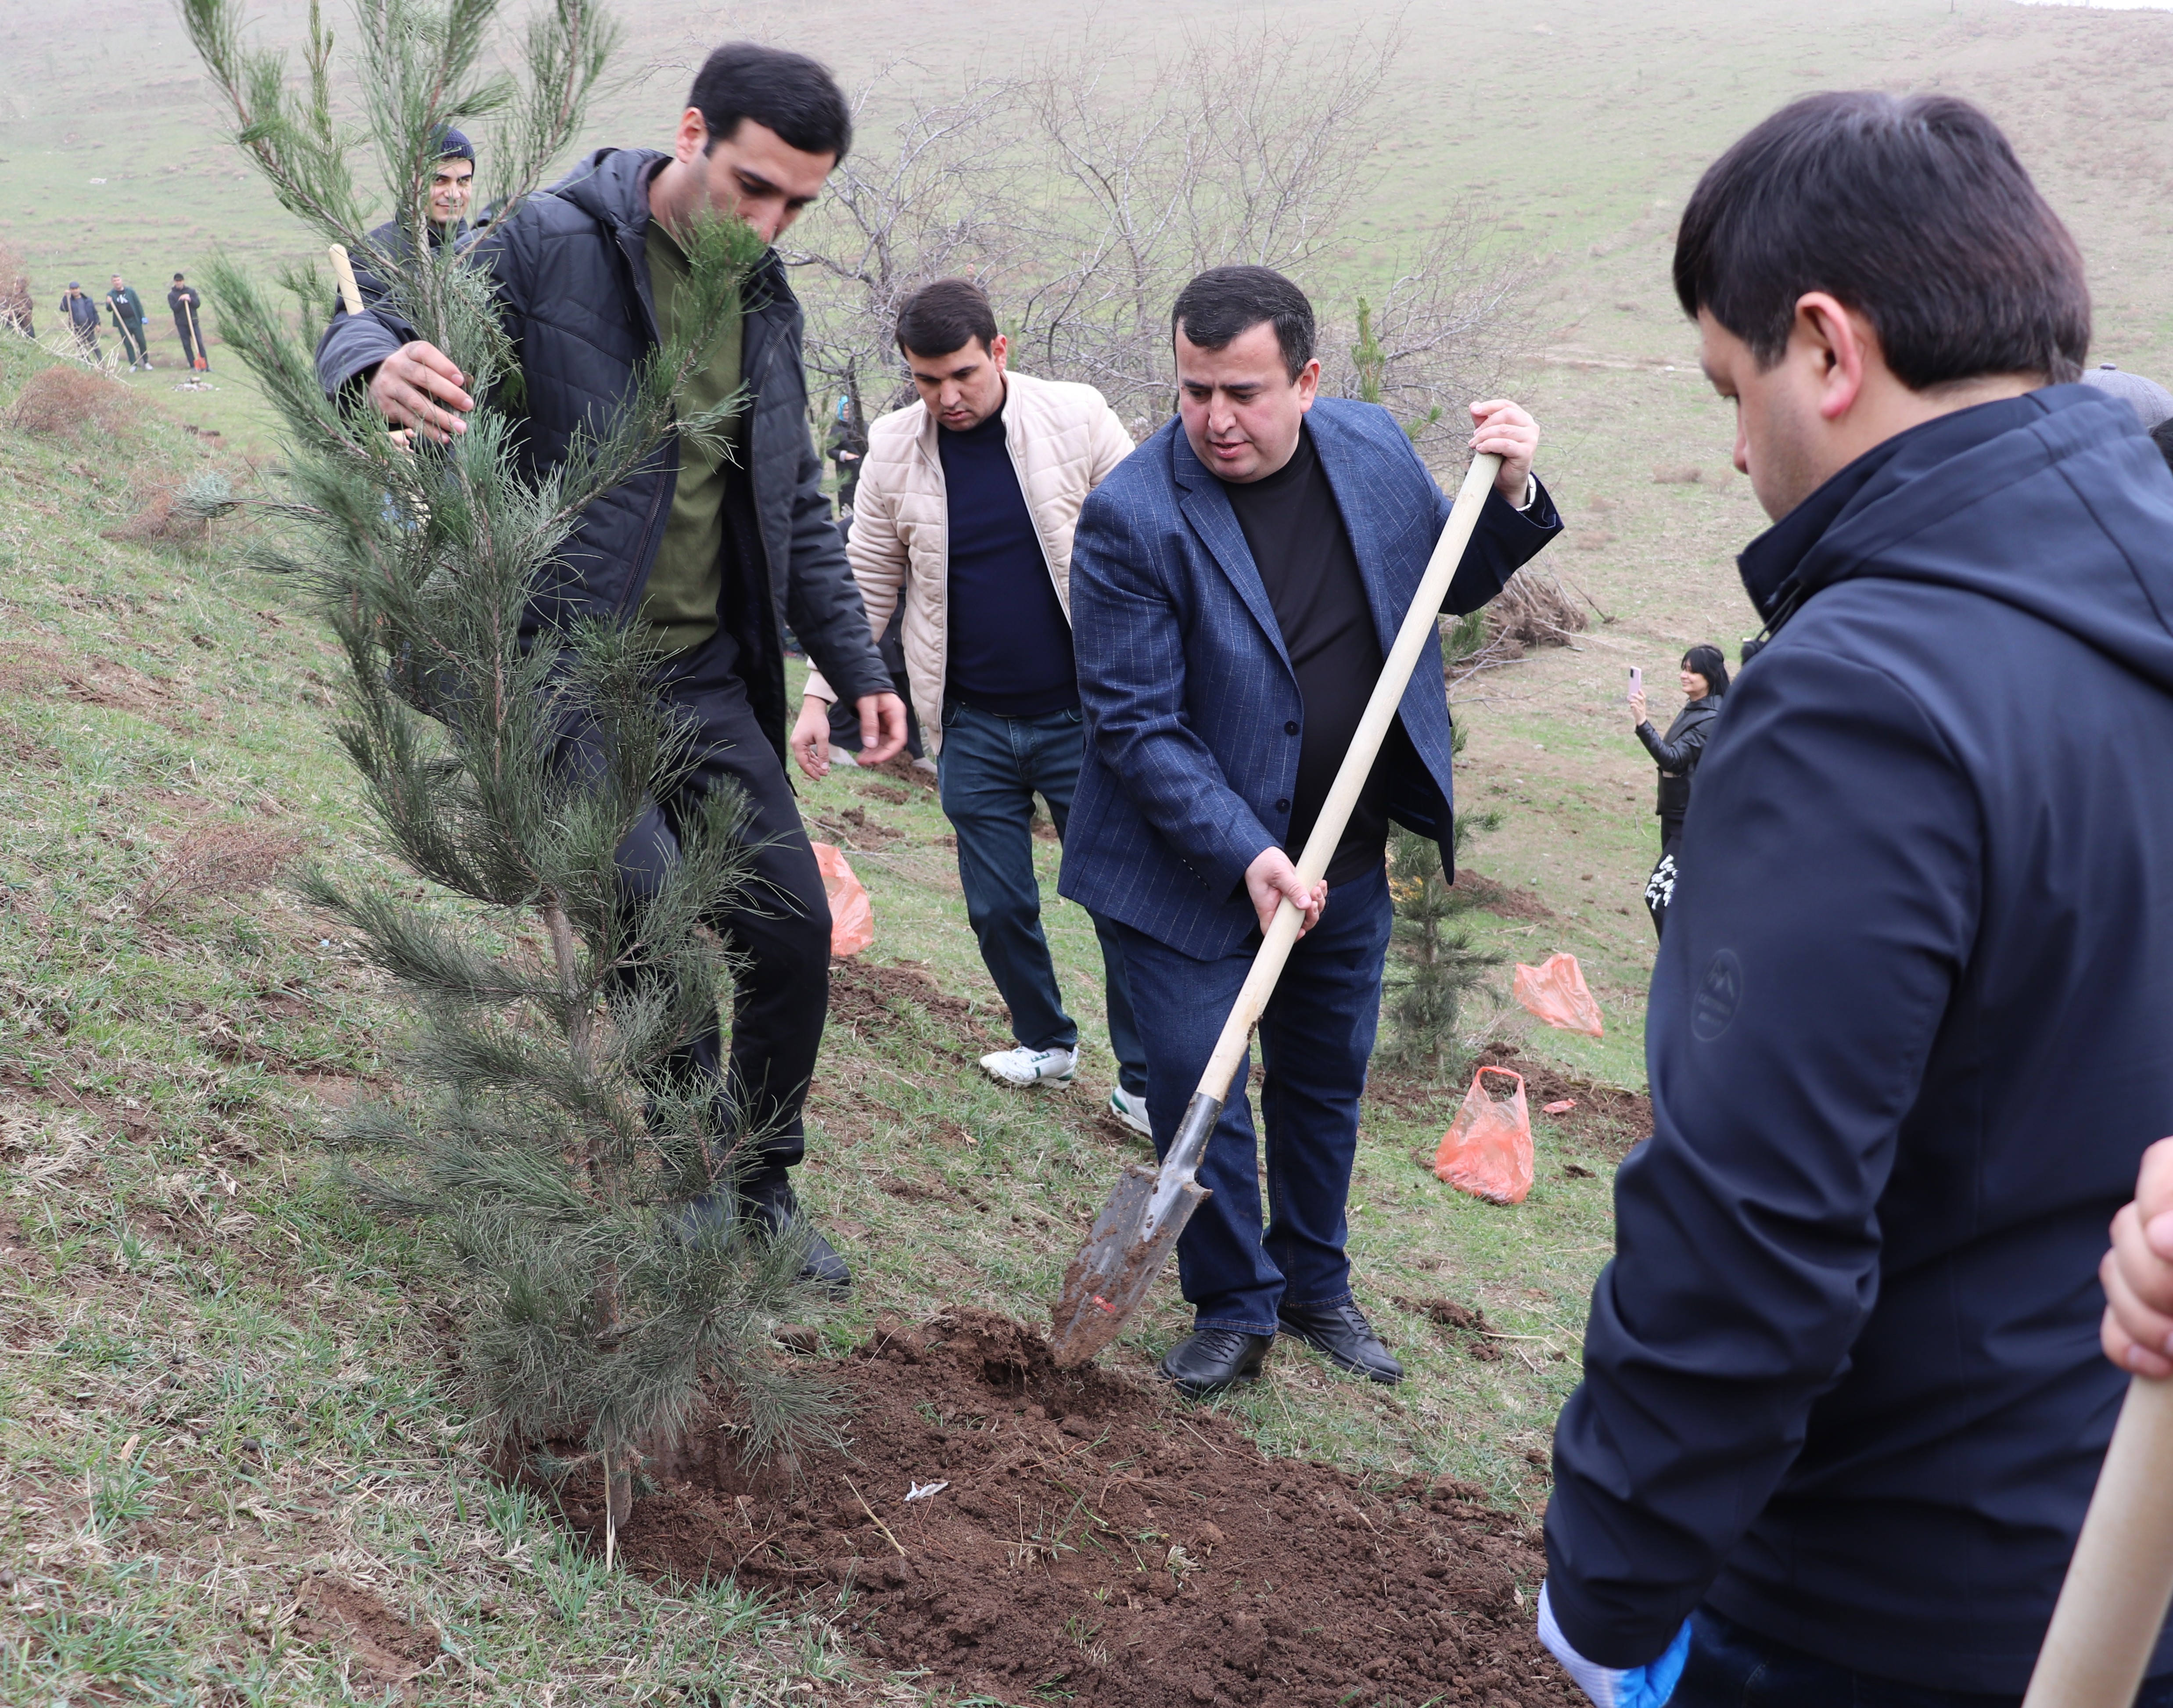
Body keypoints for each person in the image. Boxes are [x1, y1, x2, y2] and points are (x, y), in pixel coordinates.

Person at [1537, 91, 2173, 1708]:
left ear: (1824, 347)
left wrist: (1607, 1587)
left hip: (1901, 1594)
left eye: (1729, 387)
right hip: (2130, 1556)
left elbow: (1751, 1221)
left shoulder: (1863, 700)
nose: (1740, 450)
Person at [320, 43, 907, 1292]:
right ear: (691, 132)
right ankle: (695, 1174)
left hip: (705, 673)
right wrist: (374, 369)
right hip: (564, 661)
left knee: (791, 931)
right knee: (643, 904)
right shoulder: (545, 242)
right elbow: (379, 311)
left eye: (799, 203)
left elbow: (795, 501)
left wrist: (855, 662)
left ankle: (759, 1183)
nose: (768, 222)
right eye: (753, 187)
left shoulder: (762, 299)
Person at [1060, 266, 1560, 1396]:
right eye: (1194, 392)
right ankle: (1234, 1307)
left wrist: (1513, 491)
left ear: (1308, 379)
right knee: (1205, 1082)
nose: (1216, 420)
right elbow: (1137, 728)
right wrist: (1246, 852)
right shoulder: (1135, 516)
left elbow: (1444, 582)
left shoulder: (1371, 448)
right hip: (1183, 870)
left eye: (1242, 391)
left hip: (1343, 857)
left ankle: (1317, 1284)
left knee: (1325, 1079)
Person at [800, 278, 1151, 1132]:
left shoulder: (1078, 417)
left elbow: (1159, 533)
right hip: (972, 723)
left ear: (999, 351)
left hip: (1089, 719)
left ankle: (1144, 1080)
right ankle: (1044, 1040)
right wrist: (819, 692)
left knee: (1118, 905)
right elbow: (867, 576)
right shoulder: (893, 446)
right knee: (997, 904)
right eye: (926, 380)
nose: (946, 398)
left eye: (961, 374)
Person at [315, 128, 477, 391]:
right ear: (413, 185)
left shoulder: (483, 251)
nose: (454, 193)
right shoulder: (375, 254)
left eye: (463, 182)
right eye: (440, 180)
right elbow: (353, 340)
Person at [1628, 643, 1727, 938]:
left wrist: (1642, 722)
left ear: (1710, 676)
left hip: (1692, 822)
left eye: (1692, 671)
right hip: (1674, 815)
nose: (1684, 676)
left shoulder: (1712, 719)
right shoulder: (1695, 709)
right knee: (1682, 898)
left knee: (1658, 897)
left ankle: (1676, 971)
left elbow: (1671, 758)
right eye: (1683, 669)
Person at [824, 393, 866, 513]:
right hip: (847, 475)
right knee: (849, 509)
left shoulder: (862, 425)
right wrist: (845, 456)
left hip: (864, 473)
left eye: (850, 409)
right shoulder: (837, 429)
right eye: (845, 409)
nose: (848, 412)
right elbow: (830, 451)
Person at [105, 274, 149, 370]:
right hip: (123, 323)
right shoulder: (111, 294)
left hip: (135, 321)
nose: (117, 282)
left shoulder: (131, 292)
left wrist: (143, 317)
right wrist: (109, 303)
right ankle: (133, 364)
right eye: (115, 281)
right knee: (128, 344)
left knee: (141, 341)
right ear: (112, 283)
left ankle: (146, 362)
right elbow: (109, 309)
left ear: (121, 281)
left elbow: (138, 304)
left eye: (118, 280)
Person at [169, 274, 205, 370]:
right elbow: (175, 309)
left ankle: (205, 365)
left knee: (199, 343)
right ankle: (193, 365)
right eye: (177, 281)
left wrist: (190, 299)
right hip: (182, 324)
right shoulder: (172, 295)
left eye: (180, 281)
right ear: (175, 282)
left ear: (183, 281)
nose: (179, 283)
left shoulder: (191, 292)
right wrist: (181, 300)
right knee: (186, 345)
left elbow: (197, 304)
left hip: (193, 322)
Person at [58, 281, 100, 359]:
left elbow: (95, 313)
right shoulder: (69, 301)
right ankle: (88, 364)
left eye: (76, 289)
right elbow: (63, 309)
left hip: (89, 327)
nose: (75, 291)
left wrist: (97, 324)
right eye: (73, 289)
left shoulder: (88, 300)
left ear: (79, 289)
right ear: (70, 290)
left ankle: (101, 363)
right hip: (77, 328)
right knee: (82, 348)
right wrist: (65, 297)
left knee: (95, 346)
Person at [3, 272, 34, 339]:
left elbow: (25, 311)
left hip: (24, 328)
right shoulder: (10, 297)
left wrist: (13, 312)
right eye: (14, 283)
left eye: (17, 284)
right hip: (13, 327)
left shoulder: (26, 298)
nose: (15, 286)